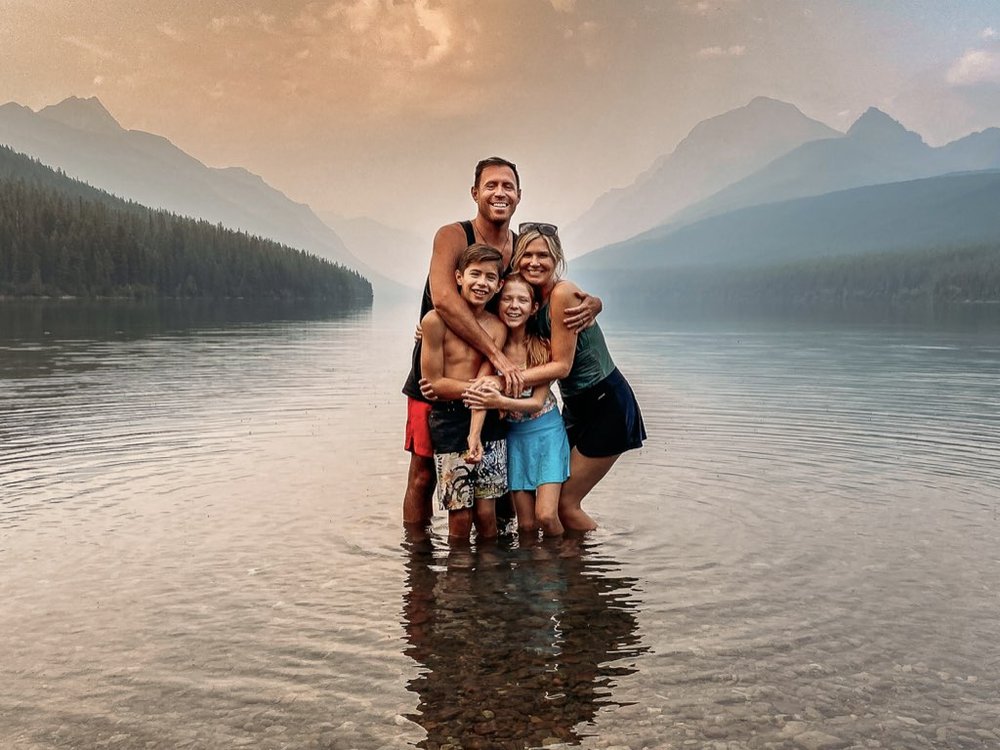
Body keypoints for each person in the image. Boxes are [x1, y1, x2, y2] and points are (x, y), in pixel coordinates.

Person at [401, 157, 602, 530]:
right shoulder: (454, 235)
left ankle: (499, 569)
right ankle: (418, 569)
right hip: (440, 375)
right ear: (475, 192)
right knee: (425, 475)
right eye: (491, 185)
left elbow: (542, 292)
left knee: (499, 483)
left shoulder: (517, 248)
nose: (499, 193)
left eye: (507, 186)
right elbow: (443, 298)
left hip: (494, 379)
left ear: (519, 196)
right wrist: (498, 357)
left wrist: (594, 302)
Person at [506, 222, 645, 532]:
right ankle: (569, 568)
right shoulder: (530, 296)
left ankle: (589, 570)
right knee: (545, 499)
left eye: (543, 255)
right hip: (577, 408)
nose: (534, 262)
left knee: (565, 505)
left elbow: (562, 367)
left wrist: (505, 380)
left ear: (557, 259)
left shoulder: (561, 293)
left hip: (606, 405)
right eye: (526, 254)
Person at [462, 273, 569, 538]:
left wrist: (500, 401)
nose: (513, 305)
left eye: (522, 300)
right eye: (507, 298)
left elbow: (535, 403)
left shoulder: (542, 347)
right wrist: (473, 436)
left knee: (546, 515)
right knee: (526, 526)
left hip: (546, 435)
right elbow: (481, 391)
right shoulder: (493, 349)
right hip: (515, 439)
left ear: (533, 308)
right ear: (498, 303)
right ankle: (527, 576)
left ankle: (565, 567)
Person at [420, 244, 509, 543]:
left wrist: (454, 387)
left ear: (499, 286)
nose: (481, 283)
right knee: (459, 516)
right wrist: (480, 388)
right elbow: (432, 383)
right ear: (458, 277)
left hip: (489, 425)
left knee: (487, 514)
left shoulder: (497, 327)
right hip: (449, 422)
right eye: (475, 274)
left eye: (489, 277)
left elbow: (453, 385)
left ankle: (488, 582)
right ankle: (458, 584)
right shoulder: (434, 322)